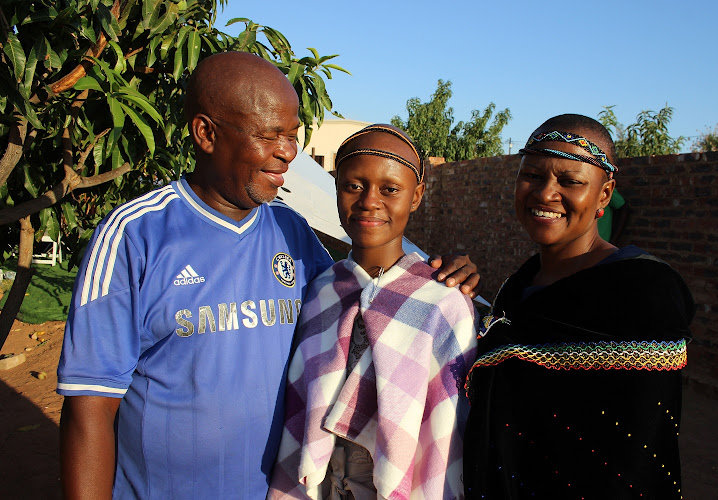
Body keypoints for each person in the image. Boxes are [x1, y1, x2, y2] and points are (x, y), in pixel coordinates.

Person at [56, 52, 479, 499]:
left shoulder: (290, 230)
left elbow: (361, 292)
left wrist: (438, 272)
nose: (288, 153)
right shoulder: (135, 236)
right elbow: (89, 410)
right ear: (206, 133)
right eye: (269, 135)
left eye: (292, 135)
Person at [463, 114, 695, 499]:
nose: (544, 194)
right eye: (532, 176)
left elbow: (634, 459)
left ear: (604, 195)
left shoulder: (642, 293)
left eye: (569, 181)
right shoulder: (518, 286)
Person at [267, 125, 477, 499]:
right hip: (320, 482)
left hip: (402, 480)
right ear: (336, 188)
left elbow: (446, 425)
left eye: (390, 189)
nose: (369, 201)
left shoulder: (443, 301)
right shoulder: (319, 290)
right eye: (353, 186)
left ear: (416, 197)